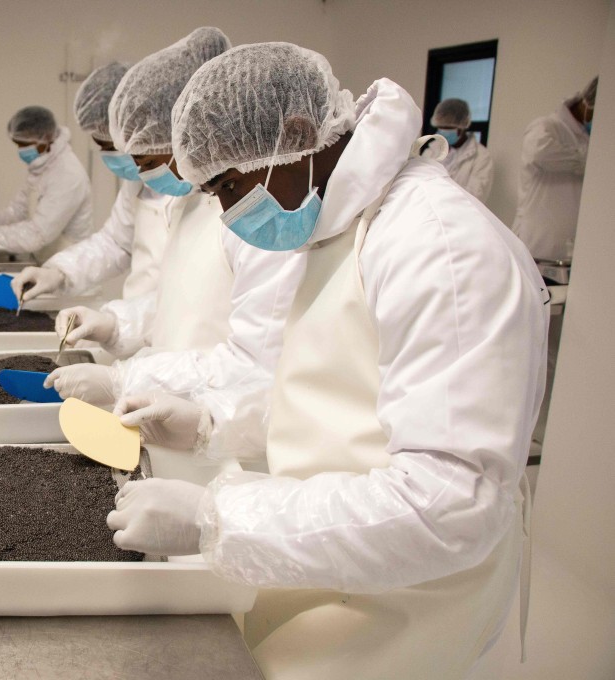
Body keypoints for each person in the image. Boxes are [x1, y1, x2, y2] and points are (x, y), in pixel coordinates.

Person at [108, 43, 548, 679]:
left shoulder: (440, 249)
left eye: (230, 187)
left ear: (296, 134)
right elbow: (337, 395)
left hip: (410, 603)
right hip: (329, 568)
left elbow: (448, 506)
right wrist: (211, 423)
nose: (230, 218)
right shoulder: (341, 225)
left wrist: (216, 518)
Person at [44, 28, 304, 437]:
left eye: (148, 158)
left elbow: (253, 360)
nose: (145, 172)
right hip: (169, 409)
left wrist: (124, 379)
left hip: (224, 429)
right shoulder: (191, 203)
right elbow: (180, 303)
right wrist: (114, 324)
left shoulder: (258, 214)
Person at [9, 62, 168, 304]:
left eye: (110, 147)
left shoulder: (197, 189)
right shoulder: (138, 182)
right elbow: (115, 243)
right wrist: (58, 272)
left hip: (179, 329)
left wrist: (118, 326)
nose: (108, 157)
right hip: (144, 326)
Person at [0, 106, 93, 263]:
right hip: (49, 263)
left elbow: (38, 234)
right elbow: (17, 212)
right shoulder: (41, 168)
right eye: (18, 145)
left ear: (47, 136)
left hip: (72, 270)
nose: (21, 150)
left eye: (24, 144)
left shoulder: (67, 173)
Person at [512, 77, 597, 261]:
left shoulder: (587, 138)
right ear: (587, 104)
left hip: (567, 247)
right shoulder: (546, 127)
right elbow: (539, 154)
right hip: (536, 242)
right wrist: (588, 157)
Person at [430, 97, 493, 202]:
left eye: (448, 129)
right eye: (441, 128)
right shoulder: (431, 151)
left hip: (460, 215)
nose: (443, 133)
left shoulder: (481, 156)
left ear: (462, 127)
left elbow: (476, 195)